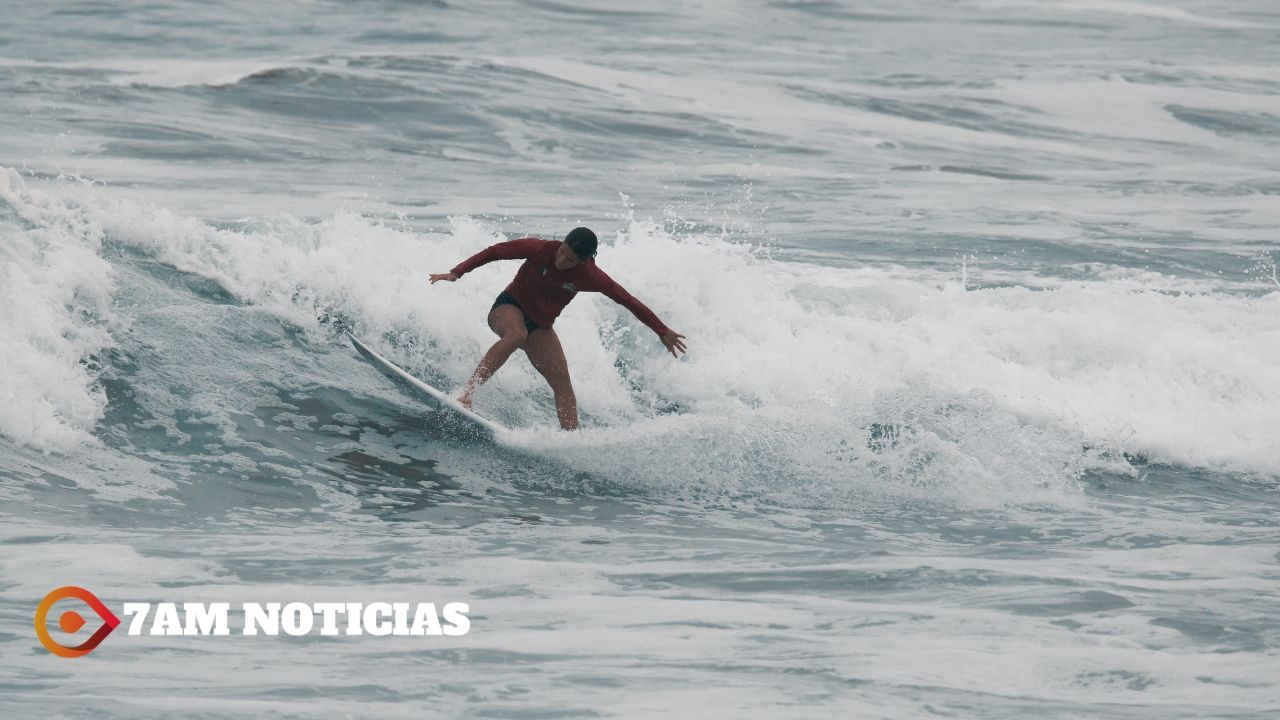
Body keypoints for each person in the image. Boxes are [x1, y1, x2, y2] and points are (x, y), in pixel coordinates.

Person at [429, 227, 687, 430]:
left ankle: (570, 441)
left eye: (570, 259)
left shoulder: (590, 276)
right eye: (562, 251)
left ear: (585, 260)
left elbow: (627, 299)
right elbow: (495, 251)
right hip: (508, 307)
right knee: (516, 334)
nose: (562, 259)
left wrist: (661, 330)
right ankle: (466, 394)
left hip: (541, 326)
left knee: (562, 381)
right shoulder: (540, 248)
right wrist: (457, 272)